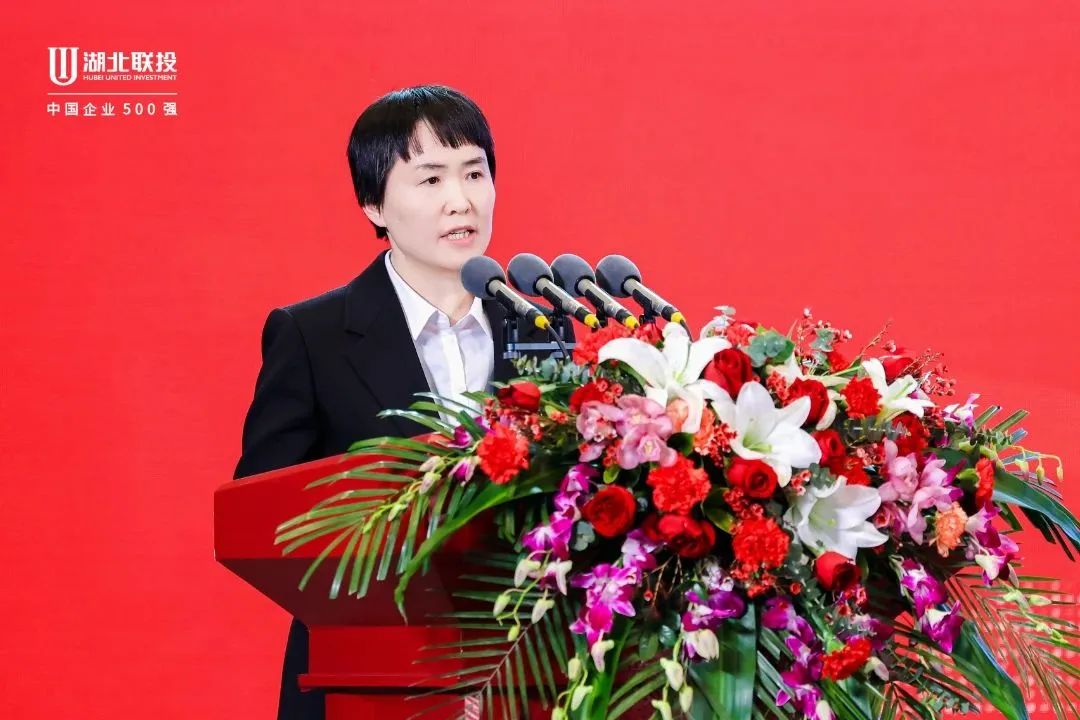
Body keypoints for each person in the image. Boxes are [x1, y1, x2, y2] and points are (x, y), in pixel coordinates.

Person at [232, 85, 567, 720]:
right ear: (373, 204)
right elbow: (262, 516)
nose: (460, 200)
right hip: (364, 680)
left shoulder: (546, 328)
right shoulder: (313, 336)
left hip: (528, 679)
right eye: (431, 179)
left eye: (474, 173)